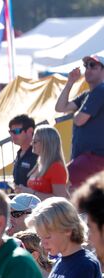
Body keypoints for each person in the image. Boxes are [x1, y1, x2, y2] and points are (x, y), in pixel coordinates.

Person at [55, 54, 104, 188]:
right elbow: (60, 107)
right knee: (81, 198)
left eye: (92, 65)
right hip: (86, 159)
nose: (87, 69)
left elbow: (79, 120)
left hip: (94, 157)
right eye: (86, 66)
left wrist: (76, 114)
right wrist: (70, 82)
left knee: (59, 181)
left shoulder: (101, 90)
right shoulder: (89, 94)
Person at [21, 127, 70, 200]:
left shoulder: (56, 167)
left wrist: (31, 193)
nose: (31, 144)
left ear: (46, 143)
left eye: (35, 142)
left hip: (50, 210)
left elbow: (60, 199)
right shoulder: (40, 164)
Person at [8, 114, 37, 190]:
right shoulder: (19, 153)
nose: (12, 135)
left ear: (30, 131)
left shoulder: (38, 153)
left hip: (33, 200)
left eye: (16, 131)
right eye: (11, 132)